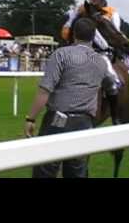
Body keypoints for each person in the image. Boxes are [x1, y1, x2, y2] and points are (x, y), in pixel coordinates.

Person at [24, 18, 114, 178]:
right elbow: (112, 88)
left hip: (57, 122)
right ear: (94, 37)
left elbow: (45, 90)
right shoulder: (101, 62)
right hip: (84, 124)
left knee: (45, 172)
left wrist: (30, 118)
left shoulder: (61, 54)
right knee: (77, 173)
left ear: (73, 34)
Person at [60, 0, 125, 111]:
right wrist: (67, 31)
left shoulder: (112, 13)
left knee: (111, 80)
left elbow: (115, 34)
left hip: (101, 53)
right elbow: (67, 26)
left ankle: (115, 113)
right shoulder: (80, 9)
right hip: (78, 49)